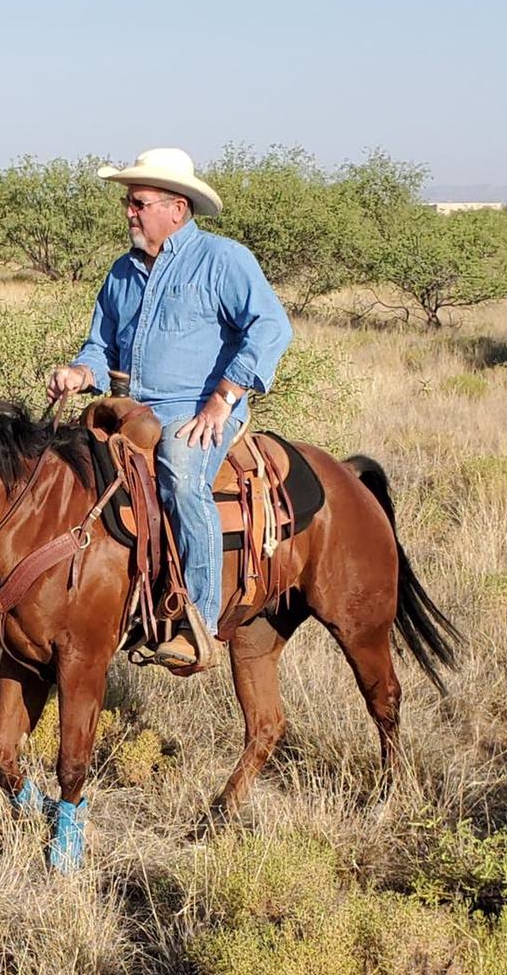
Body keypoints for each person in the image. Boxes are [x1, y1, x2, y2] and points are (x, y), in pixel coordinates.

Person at [48, 148, 292, 669]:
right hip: (131, 409)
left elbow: (271, 327)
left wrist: (224, 399)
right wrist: (80, 371)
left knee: (182, 474)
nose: (129, 212)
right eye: (128, 203)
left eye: (138, 203)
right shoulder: (121, 273)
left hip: (196, 411)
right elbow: (100, 346)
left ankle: (196, 622)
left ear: (176, 208)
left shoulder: (223, 260)